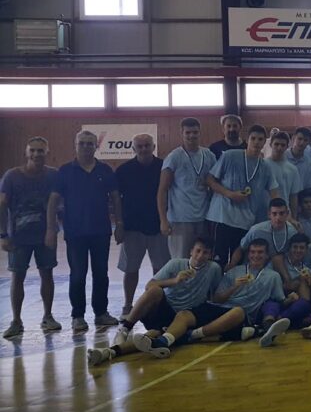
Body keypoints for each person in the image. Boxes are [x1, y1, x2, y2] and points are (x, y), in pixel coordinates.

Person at [87, 237, 237, 366]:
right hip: (164, 309)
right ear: (191, 251)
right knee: (155, 291)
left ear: (210, 255)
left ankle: (109, 352)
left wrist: (234, 288)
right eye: (198, 251)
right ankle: (125, 328)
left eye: (205, 252)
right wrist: (175, 281)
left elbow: (215, 297)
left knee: (151, 335)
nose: (200, 255)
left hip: (184, 316)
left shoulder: (214, 269)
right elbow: (149, 285)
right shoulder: (175, 264)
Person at [48, 130, 122, 333]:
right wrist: (51, 228)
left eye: (90, 143)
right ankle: (78, 316)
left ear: (96, 146)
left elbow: (116, 198)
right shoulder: (65, 171)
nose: (86, 147)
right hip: (75, 233)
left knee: (101, 274)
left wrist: (120, 224)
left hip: (101, 232)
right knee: (78, 275)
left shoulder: (105, 170)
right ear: (75, 145)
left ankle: (101, 313)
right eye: (82, 143)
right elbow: (53, 201)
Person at [1, 137, 60, 338]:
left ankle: (48, 316)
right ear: (26, 153)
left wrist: (52, 230)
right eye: (32, 150)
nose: (36, 154)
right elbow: (2, 205)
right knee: (17, 276)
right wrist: (3, 235)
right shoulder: (11, 176)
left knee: (47, 274)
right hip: (18, 237)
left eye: (40, 150)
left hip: (45, 235)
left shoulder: (53, 175)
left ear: (47, 153)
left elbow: (56, 203)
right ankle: (16, 321)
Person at [205, 125, 280, 265]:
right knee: (217, 261)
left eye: (260, 139)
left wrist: (282, 214)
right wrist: (230, 194)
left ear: (265, 142)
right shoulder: (230, 156)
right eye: (253, 138)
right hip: (222, 217)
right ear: (247, 139)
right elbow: (209, 180)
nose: (256, 142)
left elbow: (274, 193)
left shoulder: (265, 167)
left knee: (238, 263)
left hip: (245, 221)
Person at [116, 133, 169, 319]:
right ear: (133, 149)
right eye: (140, 146)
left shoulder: (164, 167)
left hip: (158, 227)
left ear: (153, 147)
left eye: (147, 145)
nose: (144, 149)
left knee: (160, 270)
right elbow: (116, 200)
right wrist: (119, 224)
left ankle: (158, 304)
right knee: (131, 269)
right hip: (132, 228)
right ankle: (128, 305)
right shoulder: (123, 170)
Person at [213, 238, 292, 347]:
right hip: (224, 311)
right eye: (252, 252)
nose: (256, 255)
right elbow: (216, 299)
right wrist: (234, 287)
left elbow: (280, 301)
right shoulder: (234, 271)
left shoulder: (273, 276)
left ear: (267, 255)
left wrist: (291, 299)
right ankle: (257, 331)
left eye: (260, 252)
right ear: (248, 254)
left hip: (247, 318)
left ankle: (259, 329)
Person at [160, 118, 217, 258]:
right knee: (181, 260)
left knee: (203, 259)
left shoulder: (209, 155)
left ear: (200, 132)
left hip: (203, 217)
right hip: (180, 219)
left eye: (195, 132)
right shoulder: (174, 157)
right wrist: (163, 220)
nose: (192, 135)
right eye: (188, 132)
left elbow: (215, 185)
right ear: (182, 133)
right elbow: (162, 190)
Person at [229, 198, 298, 280]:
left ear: (287, 214)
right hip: (254, 268)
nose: (278, 218)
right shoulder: (256, 230)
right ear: (269, 214)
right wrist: (232, 266)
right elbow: (240, 248)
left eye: (281, 213)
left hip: (280, 269)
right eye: (274, 214)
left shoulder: (292, 232)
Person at [266, 131, 302, 219]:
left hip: (283, 215)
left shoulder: (293, 169)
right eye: (276, 144)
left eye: (283, 145)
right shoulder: (262, 165)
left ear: (287, 146)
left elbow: (293, 197)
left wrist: (294, 218)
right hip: (263, 212)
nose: (279, 148)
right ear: (270, 144)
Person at [285, 126, 311, 191]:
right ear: (293, 138)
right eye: (299, 139)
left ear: (309, 142)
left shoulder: (310, 163)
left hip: (300, 196)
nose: (302, 143)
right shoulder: (282, 157)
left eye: (305, 140)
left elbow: (309, 186)